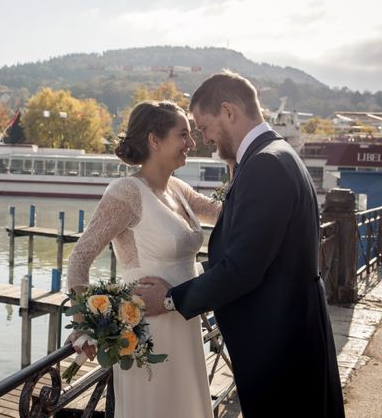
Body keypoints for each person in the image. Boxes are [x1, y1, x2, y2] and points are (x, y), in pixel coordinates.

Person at [135, 71, 345, 418]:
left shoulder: (264, 165)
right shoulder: (277, 154)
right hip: (290, 335)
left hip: (278, 347)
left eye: (204, 127)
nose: (203, 139)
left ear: (228, 111)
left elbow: (242, 270)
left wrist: (170, 299)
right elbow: (253, 252)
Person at [66, 101, 221, 418]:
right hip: (147, 333)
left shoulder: (178, 189)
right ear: (154, 140)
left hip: (185, 322)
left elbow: (227, 213)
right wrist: (85, 324)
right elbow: (79, 258)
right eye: (183, 135)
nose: (191, 144)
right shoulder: (126, 192)